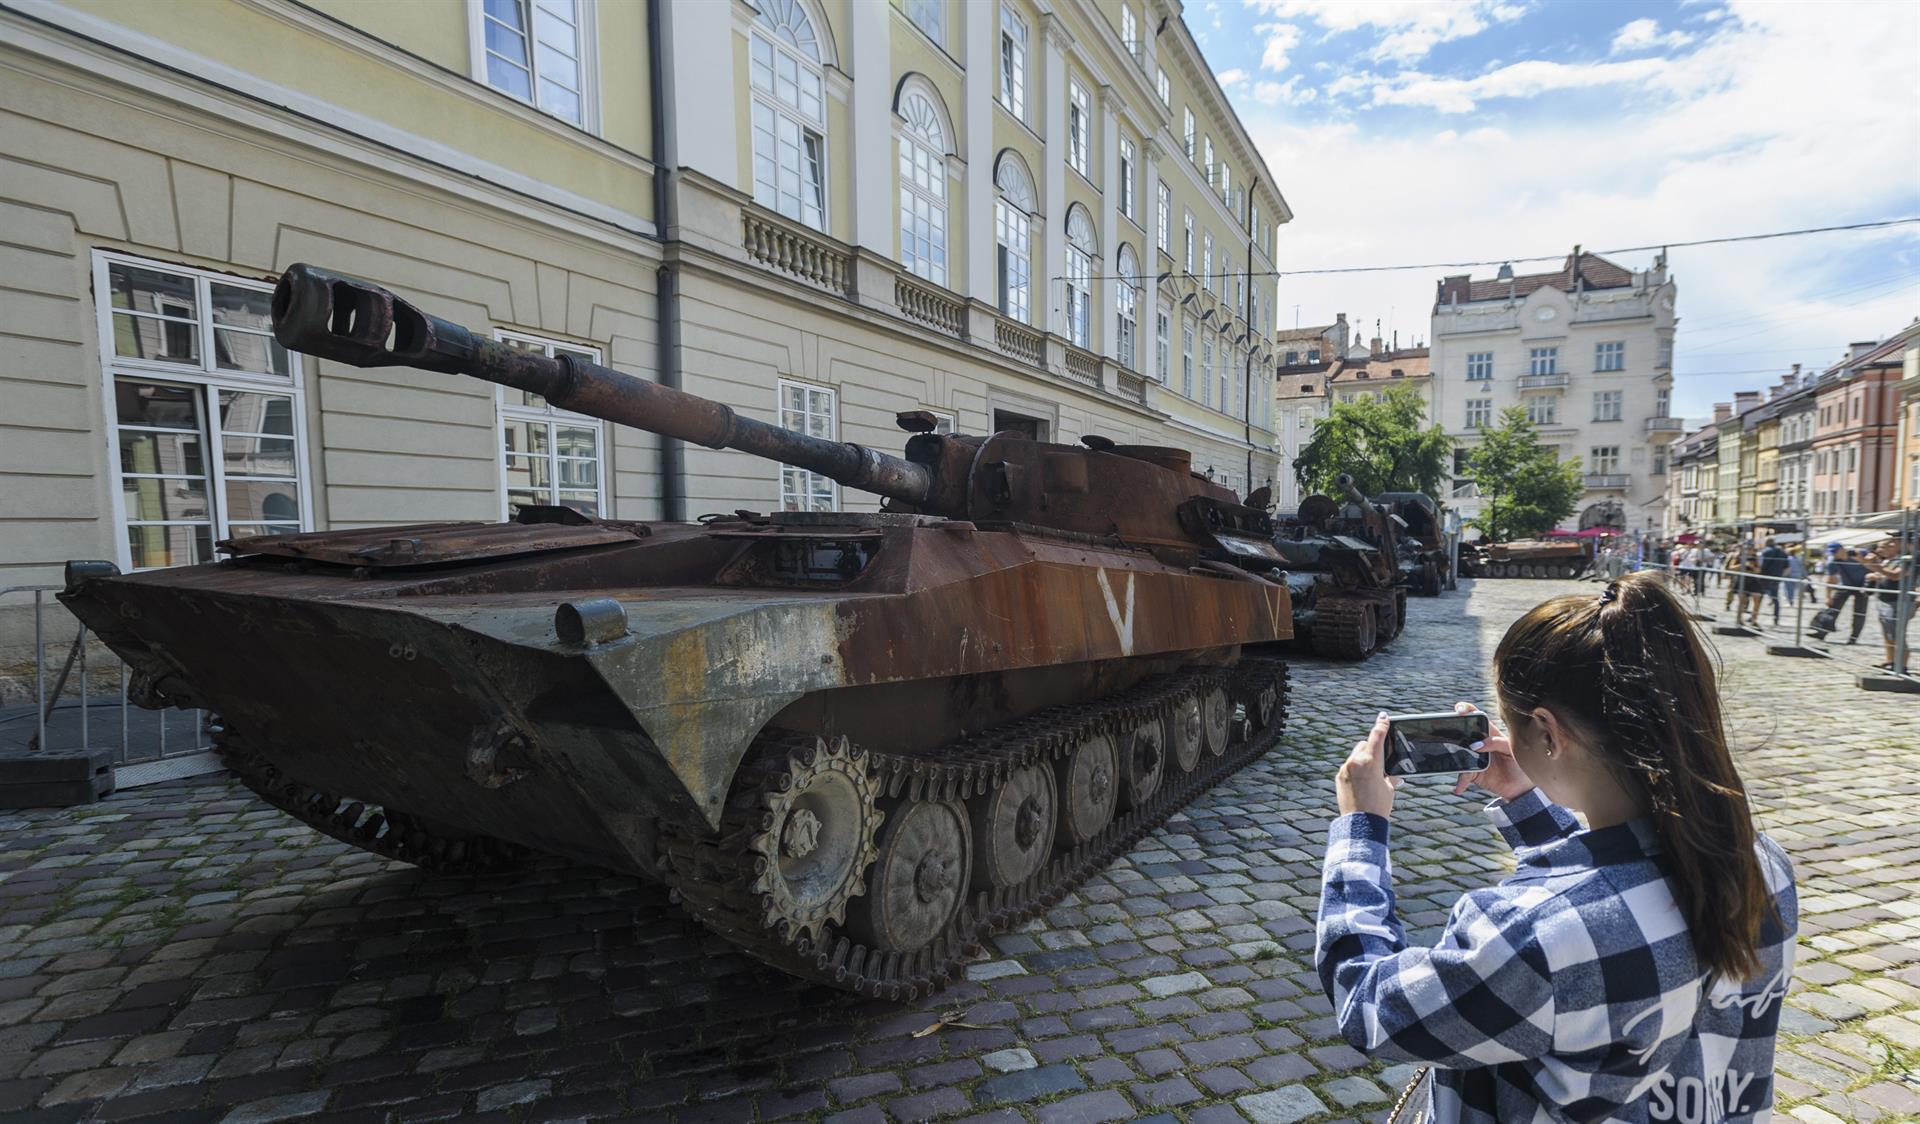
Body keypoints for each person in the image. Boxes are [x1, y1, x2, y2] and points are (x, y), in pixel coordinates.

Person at [1317, 573, 1797, 1122]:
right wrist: (1524, 797)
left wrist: (1360, 828)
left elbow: (1369, 1004)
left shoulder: (1532, 940)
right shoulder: (1760, 862)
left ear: (1548, 731)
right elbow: (1619, 890)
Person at [1863, 538, 1914, 671]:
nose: (1880, 550)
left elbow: (1895, 576)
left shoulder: (1906, 559)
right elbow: (1885, 575)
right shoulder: (1890, 560)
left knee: (1897, 634)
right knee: (1888, 634)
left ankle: (1901, 666)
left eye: (1886, 546)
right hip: (1885, 600)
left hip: (1897, 601)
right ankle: (1890, 661)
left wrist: (1876, 567)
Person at [1811, 548, 1870, 644]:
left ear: (1841, 550)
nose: (1833, 555)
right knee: (1832, 609)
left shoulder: (1859, 553)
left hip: (1863, 587)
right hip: (1845, 585)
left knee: (1859, 613)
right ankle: (1821, 632)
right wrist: (1828, 596)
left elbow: (1873, 565)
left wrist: (1861, 559)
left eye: (1834, 552)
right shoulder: (1833, 562)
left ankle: (1853, 638)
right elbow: (1830, 579)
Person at [1758, 538, 1789, 625]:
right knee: (1775, 598)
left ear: (1766, 543)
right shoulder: (1783, 553)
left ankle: (1754, 615)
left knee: (1759, 596)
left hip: (1765, 577)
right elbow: (1786, 567)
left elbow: (1761, 565)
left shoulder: (1765, 552)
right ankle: (1776, 617)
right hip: (1776, 577)